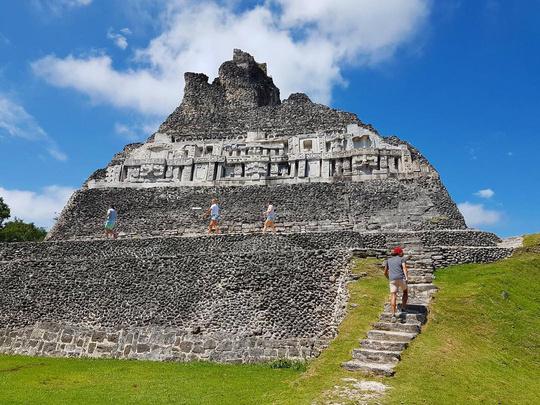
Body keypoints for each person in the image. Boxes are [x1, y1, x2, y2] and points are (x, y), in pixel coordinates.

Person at [384, 246, 408, 321]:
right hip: (401, 278)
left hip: (392, 279)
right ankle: (403, 308)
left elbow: (385, 272)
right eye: (402, 251)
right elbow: (404, 268)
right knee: (405, 291)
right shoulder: (402, 259)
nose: (403, 253)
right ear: (399, 253)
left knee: (393, 295)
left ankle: (393, 314)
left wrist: (388, 278)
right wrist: (406, 278)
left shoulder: (388, 260)